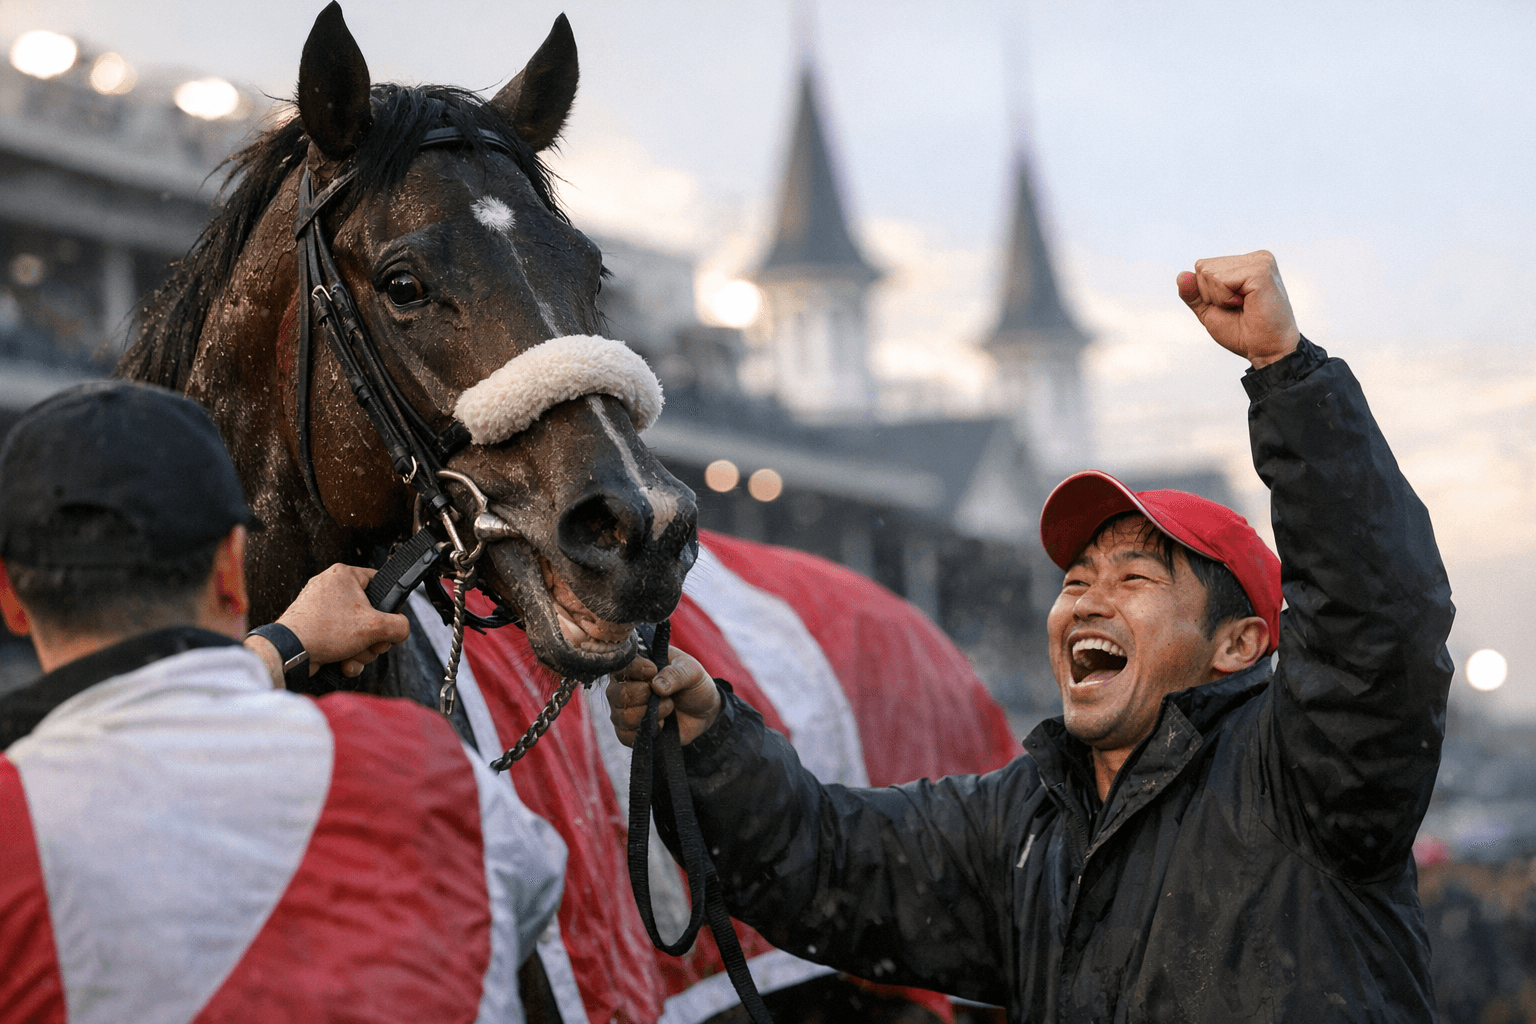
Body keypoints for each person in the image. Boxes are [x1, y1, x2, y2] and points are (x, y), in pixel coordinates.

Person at [608, 251, 1454, 1022]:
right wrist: (707, 746)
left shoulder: (1305, 778)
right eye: (1076, 580)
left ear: (1237, 645)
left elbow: (1379, 625)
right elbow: (827, 858)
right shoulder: (1022, 825)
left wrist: (1289, 376)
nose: (1084, 601)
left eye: (1132, 578)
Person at [0, 381, 565, 1023]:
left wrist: (283, 646)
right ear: (229, 569)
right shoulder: (430, 768)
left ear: (9, 597)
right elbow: (530, 896)